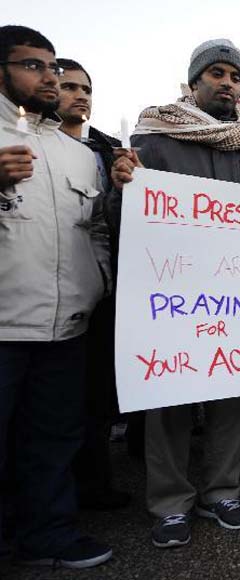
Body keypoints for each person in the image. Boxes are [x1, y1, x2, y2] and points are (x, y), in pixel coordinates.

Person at [109, 38, 240, 548]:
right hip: (172, 299)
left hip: (234, 298)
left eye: (235, 77)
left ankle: (222, 492)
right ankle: (170, 503)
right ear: (193, 82)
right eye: (217, 74)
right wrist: (121, 187)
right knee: (170, 401)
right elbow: (121, 220)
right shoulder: (152, 141)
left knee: (232, 397)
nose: (227, 84)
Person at [0, 25, 113, 569]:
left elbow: (95, 232)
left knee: (55, 437)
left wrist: (100, 287)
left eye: (52, 67)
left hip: (67, 326)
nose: (48, 77)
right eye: (32, 66)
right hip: (5, 327)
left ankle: (49, 535)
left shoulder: (79, 155)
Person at [53, 57, 130, 512]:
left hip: (102, 290)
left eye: (85, 89)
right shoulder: (24, 147)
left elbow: (111, 223)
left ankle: (94, 485)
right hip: (46, 296)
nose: (79, 96)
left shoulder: (107, 152)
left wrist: (125, 186)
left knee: (97, 397)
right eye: (68, 87)